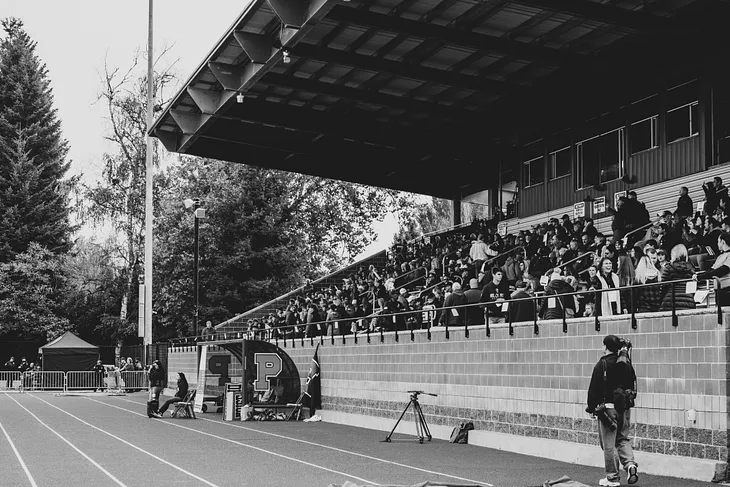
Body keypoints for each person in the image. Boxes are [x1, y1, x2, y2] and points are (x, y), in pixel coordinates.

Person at [587, 335, 639, 486]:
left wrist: (591, 407)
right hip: (624, 407)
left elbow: (594, 388)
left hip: (608, 409)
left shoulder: (602, 364)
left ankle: (612, 478)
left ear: (605, 347)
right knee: (622, 439)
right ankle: (630, 465)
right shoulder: (625, 362)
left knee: (608, 444)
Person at [695, 232, 730, 306]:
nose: (717, 244)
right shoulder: (720, 256)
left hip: (727, 289)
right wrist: (699, 275)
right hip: (719, 290)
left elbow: (723, 270)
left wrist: (702, 276)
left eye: (718, 241)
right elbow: (711, 270)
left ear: (723, 242)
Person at [659, 244, 696, 311]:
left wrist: (661, 300)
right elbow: (692, 288)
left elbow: (664, 286)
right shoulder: (691, 268)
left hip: (670, 300)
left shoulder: (669, 268)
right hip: (688, 300)